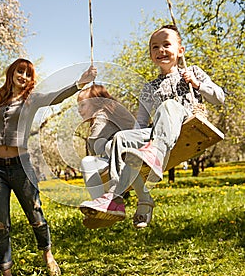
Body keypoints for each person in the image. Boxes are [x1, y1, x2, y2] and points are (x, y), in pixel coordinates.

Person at [0, 58, 97, 276]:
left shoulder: (31, 99)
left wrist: (80, 82)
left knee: (36, 216)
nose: (23, 77)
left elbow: (56, 96)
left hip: (21, 166)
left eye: (28, 74)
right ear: (11, 73)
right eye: (20, 71)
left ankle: (47, 254)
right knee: (0, 224)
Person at [79, 25, 225, 229]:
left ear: (180, 50)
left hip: (186, 124)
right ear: (150, 55)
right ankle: (114, 199)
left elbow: (220, 98)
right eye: (155, 47)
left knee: (168, 106)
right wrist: (128, 141)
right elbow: (140, 122)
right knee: (120, 139)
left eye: (167, 44)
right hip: (159, 133)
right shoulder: (149, 88)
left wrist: (198, 85)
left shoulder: (192, 72)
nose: (161, 50)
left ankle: (155, 153)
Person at [77, 84, 135, 228]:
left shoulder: (102, 116)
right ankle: (107, 205)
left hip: (122, 160)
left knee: (89, 161)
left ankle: (104, 204)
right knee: (89, 162)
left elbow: (96, 142)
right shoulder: (110, 115)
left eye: (83, 105)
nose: (79, 110)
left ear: (96, 103)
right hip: (118, 160)